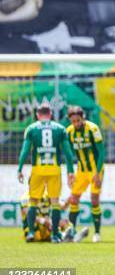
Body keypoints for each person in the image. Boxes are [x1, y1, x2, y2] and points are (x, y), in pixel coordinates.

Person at [17, 103, 75, 243]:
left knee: (33, 201)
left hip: (38, 169)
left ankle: (30, 233)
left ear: (37, 115)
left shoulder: (31, 128)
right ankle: (55, 235)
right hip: (54, 169)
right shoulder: (60, 129)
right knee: (55, 202)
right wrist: (70, 172)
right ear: (50, 114)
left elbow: (25, 151)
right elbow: (68, 153)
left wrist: (19, 169)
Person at [66, 106, 105, 243]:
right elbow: (68, 155)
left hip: (95, 169)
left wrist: (98, 173)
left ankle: (97, 233)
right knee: (74, 199)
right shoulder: (69, 132)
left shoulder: (93, 129)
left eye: (78, 120)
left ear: (83, 118)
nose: (76, 123)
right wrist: (70, 172)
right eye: (73, 121)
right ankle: (71, 231)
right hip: (81, 171)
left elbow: (101, 152)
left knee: (94, 199)